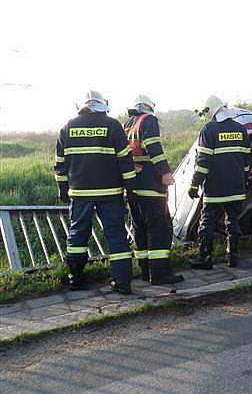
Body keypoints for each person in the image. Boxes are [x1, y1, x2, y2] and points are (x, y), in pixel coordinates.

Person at [54, 90, 136, 294]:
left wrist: (63, 190)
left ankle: (76, 278)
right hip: (110, 193)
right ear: (102, 105)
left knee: (77, 235)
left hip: (80, 194)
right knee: (116, 234)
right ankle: (122, 282)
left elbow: (60, 165)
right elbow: (125, 160)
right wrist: (131, 188)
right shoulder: (113, 125)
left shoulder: (67, 127)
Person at [123, 94, 183, 285]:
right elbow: (153, 147)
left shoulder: (128, 124)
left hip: (133, 186)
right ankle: (159, 274)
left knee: (140, 229)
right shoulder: (148, 120)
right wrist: (165, 172)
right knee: (159, 229)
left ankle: (145, 271)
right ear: (149, 107)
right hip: (150, 185)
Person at [189, 96, 251, 268]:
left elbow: (203, 163)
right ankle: (233, 257)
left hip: (215, 188)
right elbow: (246, 161)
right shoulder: (240, 129)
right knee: (233, 221)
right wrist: (244, 181)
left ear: (210, 110)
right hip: (236, 187)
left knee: (207, 222)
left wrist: (194, 185)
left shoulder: (209, 130)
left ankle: (205, 259)